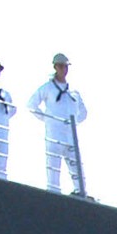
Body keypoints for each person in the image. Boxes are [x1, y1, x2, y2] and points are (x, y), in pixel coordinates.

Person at [26, 52, 88, 194]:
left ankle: (80, 191)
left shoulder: (73, 91)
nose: (63, 69)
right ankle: (53, 192)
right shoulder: (47, 88)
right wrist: (47, 119)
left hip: (70, 136)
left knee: (76, 167)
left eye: (65, 66)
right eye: (61, 66)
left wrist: (73, 124)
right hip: (54, 135)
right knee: (53, 167)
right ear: (55, 67)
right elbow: (31, 105)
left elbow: (83, 112)